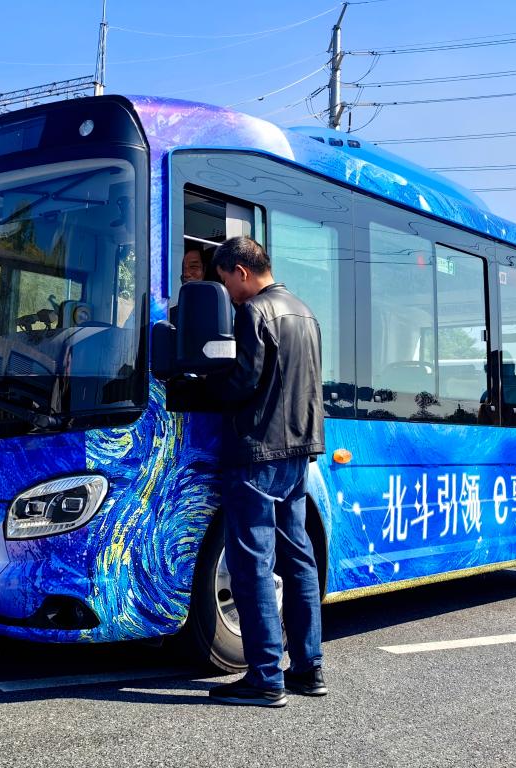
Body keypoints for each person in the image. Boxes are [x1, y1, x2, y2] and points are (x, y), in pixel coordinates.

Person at [203, 236, 326, 708]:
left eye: (226, 281)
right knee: (298, 560)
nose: (228, 293)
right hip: (298, 452)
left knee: (251, 564)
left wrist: (205, 382)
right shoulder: (305, 312)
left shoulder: (255, 312)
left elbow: (243, 383)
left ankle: (265, 677)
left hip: (257, 451)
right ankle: (308, 669)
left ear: (241, 271)